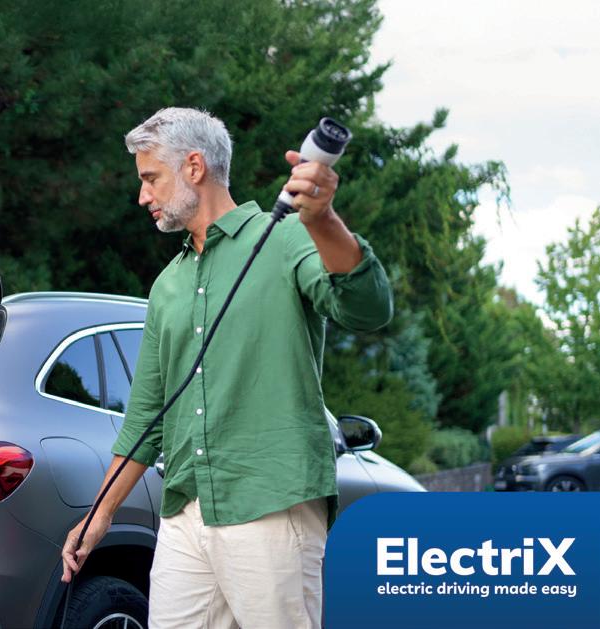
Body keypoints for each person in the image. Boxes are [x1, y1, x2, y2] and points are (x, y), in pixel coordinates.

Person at [61, 108, 393, 628]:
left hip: (271, 500)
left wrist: (323, 219)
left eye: (151, 178)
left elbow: (368, 309)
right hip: (185, 511)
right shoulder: (167, 285)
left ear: (194, 167)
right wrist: (99, 516)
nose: (143, 196)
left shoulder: (287, 237)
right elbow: (145, 416)